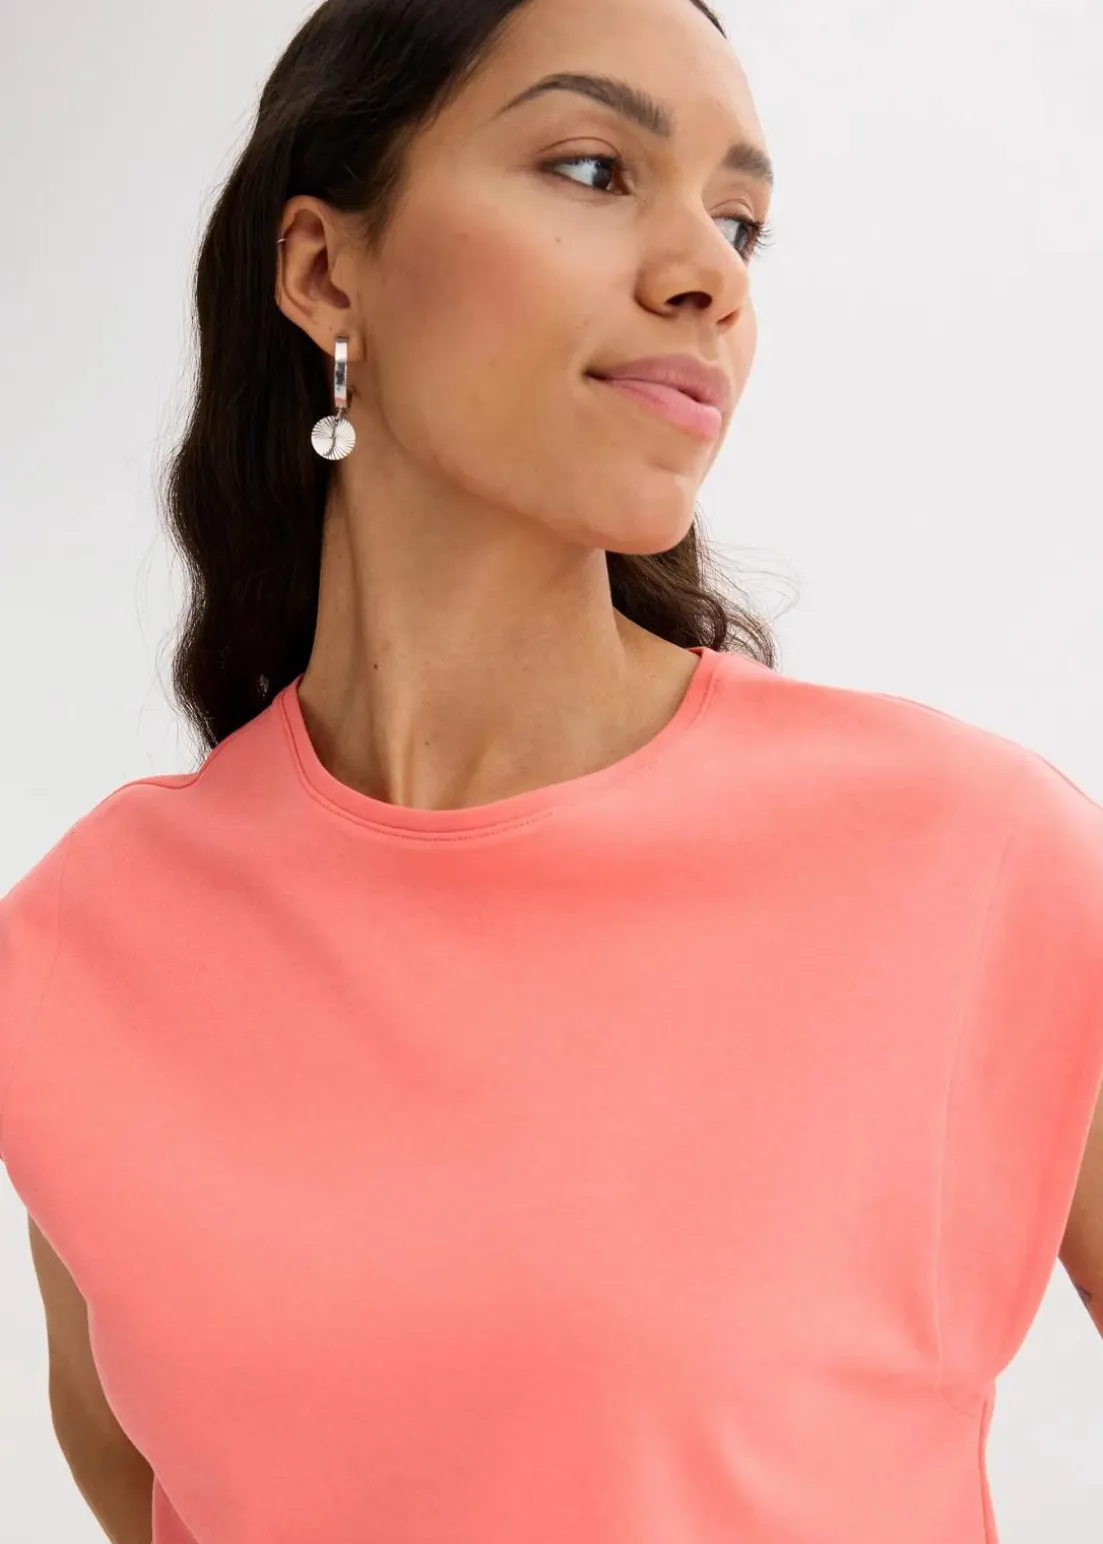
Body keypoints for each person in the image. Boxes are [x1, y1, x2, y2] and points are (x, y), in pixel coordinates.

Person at [3, 0, 1103, 1540]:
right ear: (323, 271)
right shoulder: (76, 953)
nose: (709, 273)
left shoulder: (972, 859)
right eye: (592, 168)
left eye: (739, 222)